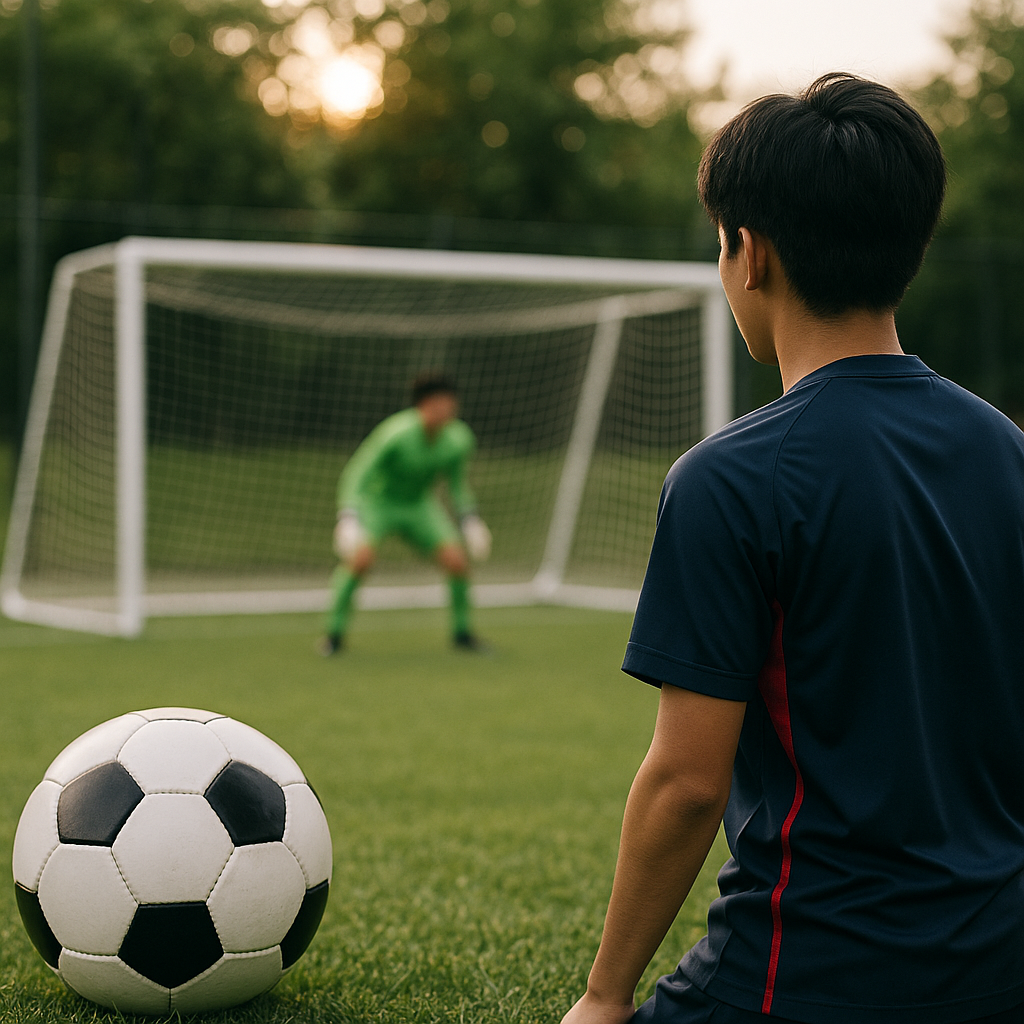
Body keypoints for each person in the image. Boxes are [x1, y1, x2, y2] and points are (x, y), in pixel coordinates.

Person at [561, 73, 1024, 1024]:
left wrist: (604, 998)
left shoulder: (729, 480)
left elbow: (689, 783)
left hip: (815, 974)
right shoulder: (1007, 449)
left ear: (750, 253)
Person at [321, 372, 492, 654]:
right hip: (379, 503)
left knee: (457, 561)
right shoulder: (395, 434)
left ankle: (463, 635)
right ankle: (333, 635)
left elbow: (458, 485)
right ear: (422, 405)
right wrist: (348, 517)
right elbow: (358, 473)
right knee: (360, 561)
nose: (445, 411)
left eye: (450, 404)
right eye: (438, 404)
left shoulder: (459, 440)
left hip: (418, 506)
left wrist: (470, 518)